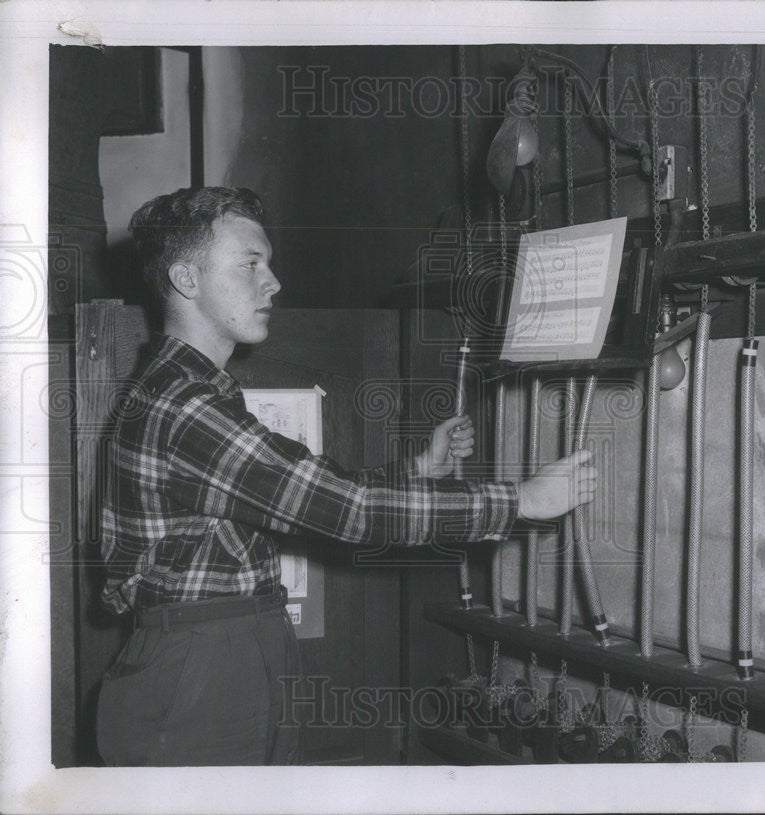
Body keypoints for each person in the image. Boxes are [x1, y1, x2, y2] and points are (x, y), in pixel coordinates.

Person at [96, 186, 597, 766]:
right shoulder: (185, 407)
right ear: (186, 279)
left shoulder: (193, 392)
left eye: (270, 263)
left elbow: (293, 496)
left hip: (223, 652)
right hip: (202, 667)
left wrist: (416, 470)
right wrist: (520, 501)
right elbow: (347, 509)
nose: (273, 281)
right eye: (251, 263)